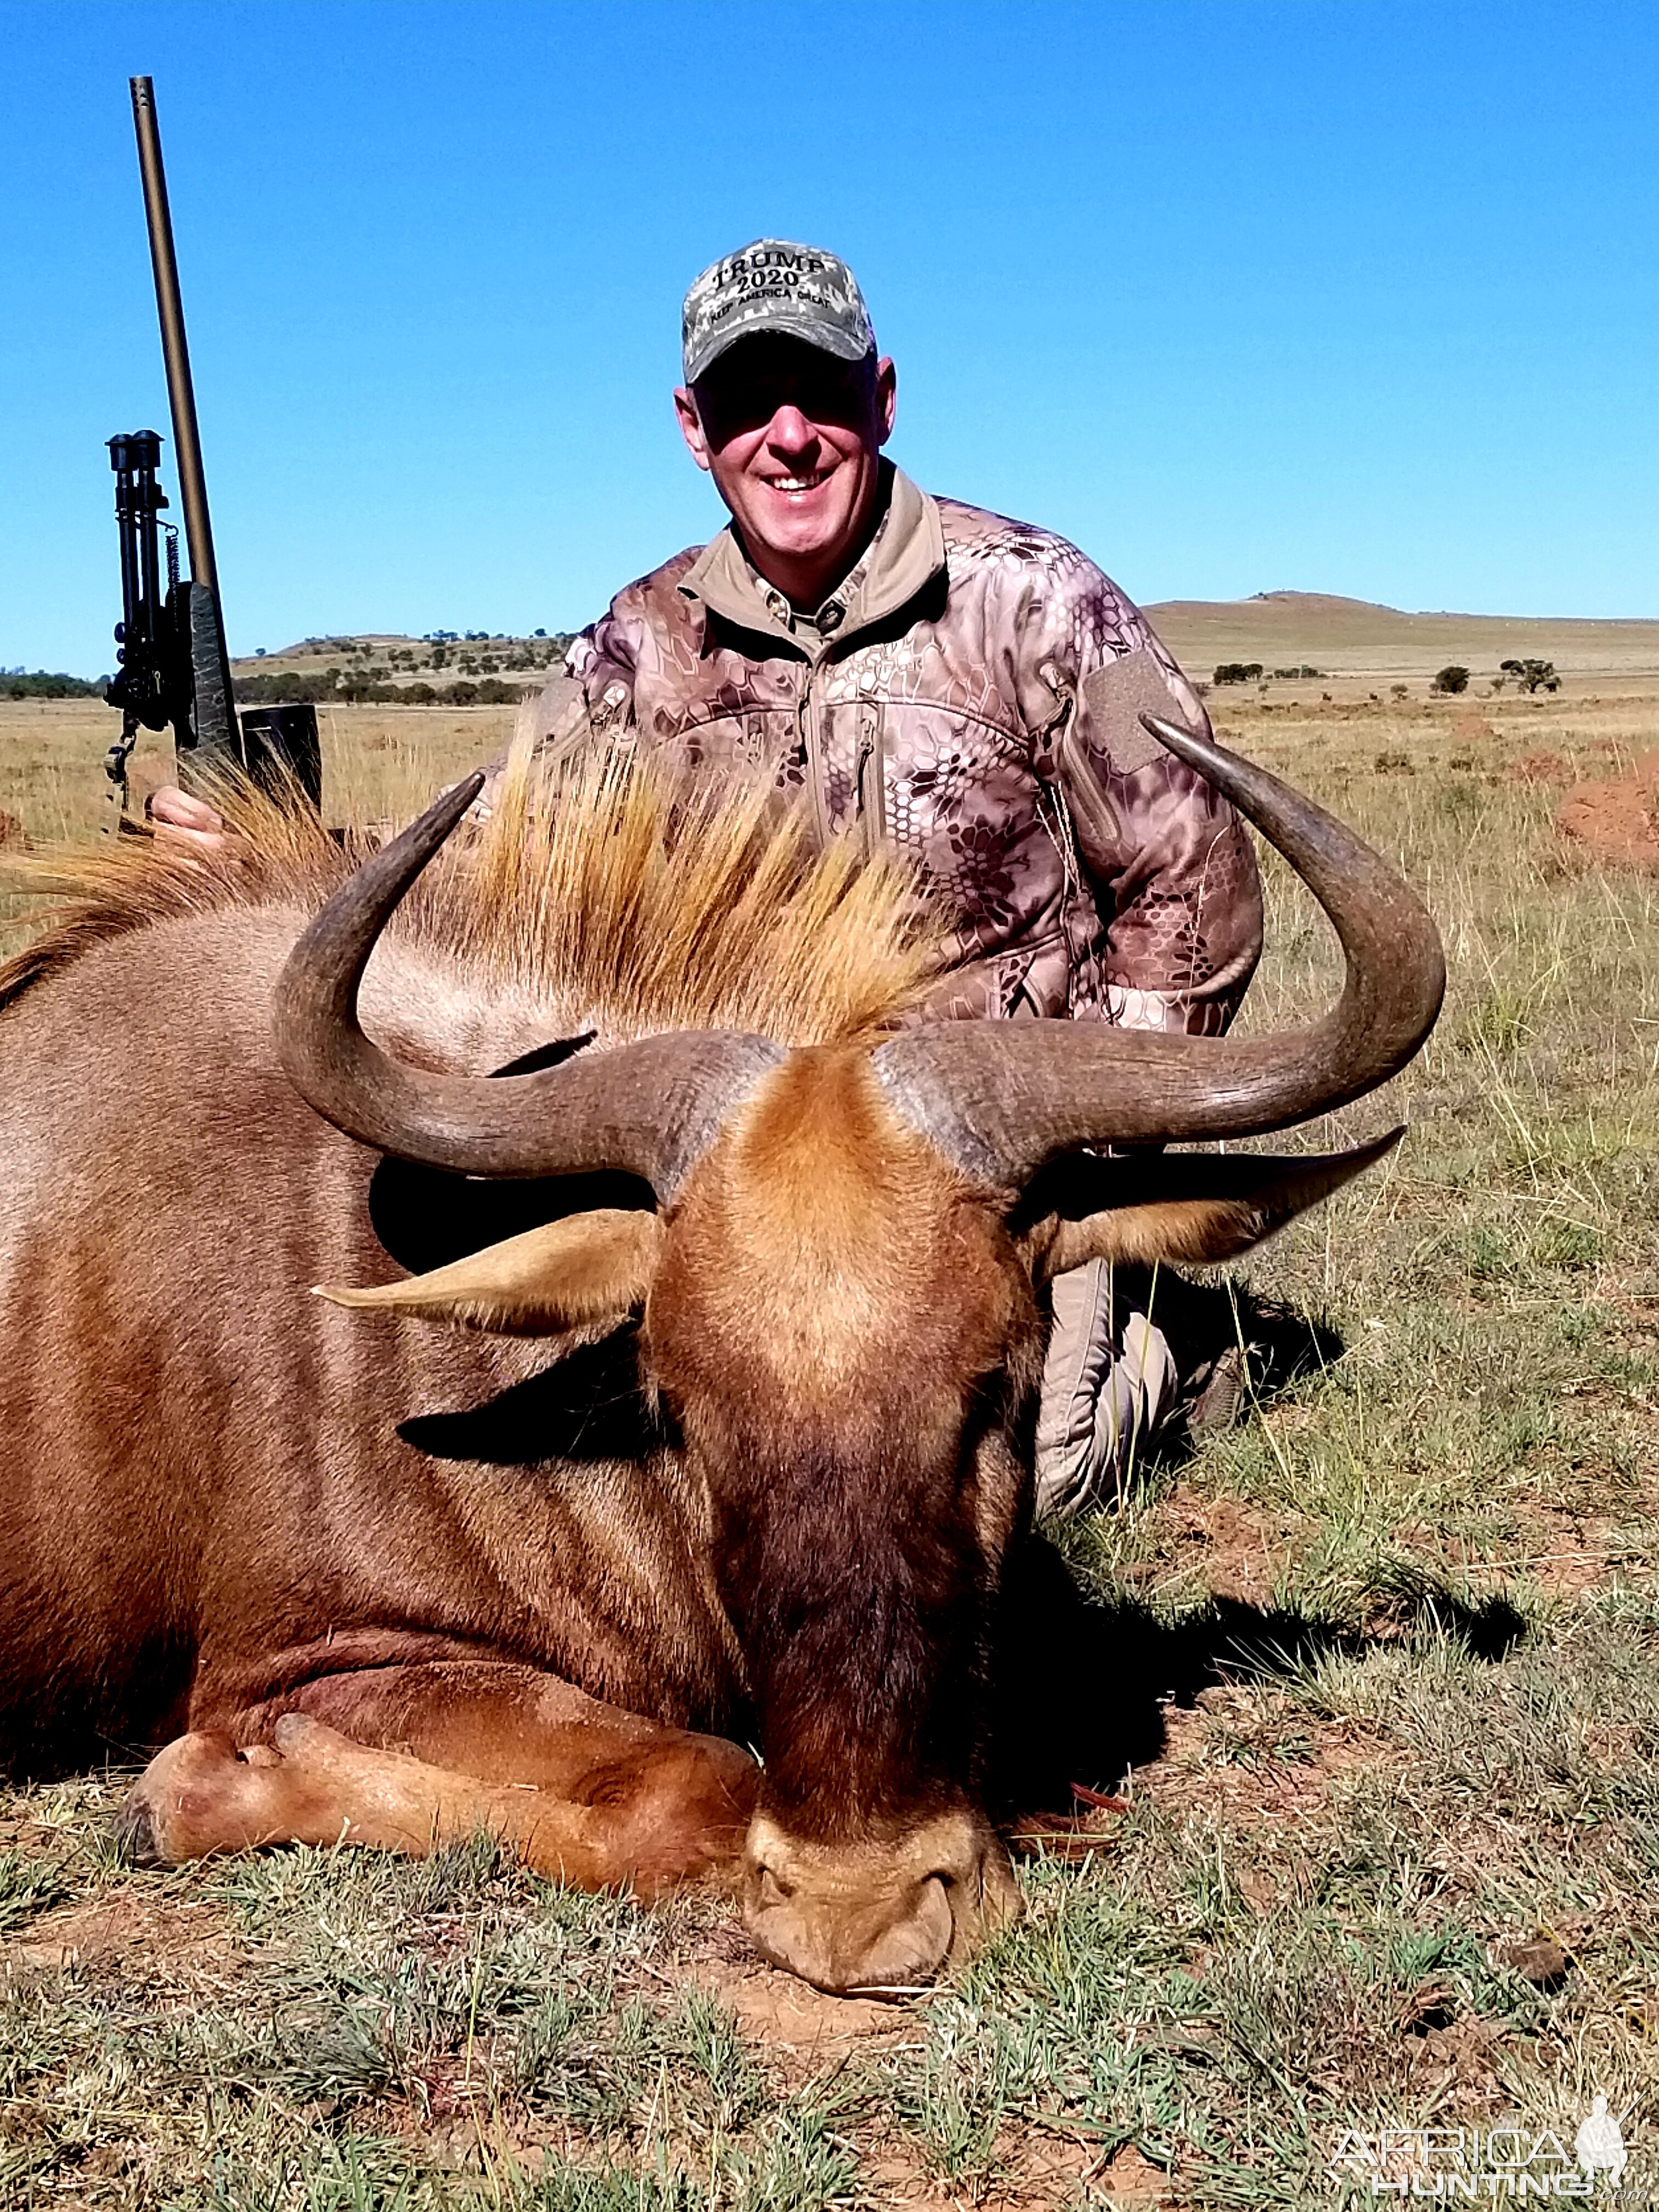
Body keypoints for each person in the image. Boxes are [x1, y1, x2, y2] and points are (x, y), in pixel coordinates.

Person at [155, 238, 1265, 1514]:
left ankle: (1148, 1346)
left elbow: (1194, 893)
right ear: (695, 427)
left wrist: (1087, 1148)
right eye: (747, 401)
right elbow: (485, 861)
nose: (788, 436)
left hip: (982, 1169)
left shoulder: (1039, 602)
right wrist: (286, 862)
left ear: (883, 398)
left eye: (821, 393)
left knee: (1023, 1483)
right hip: (736, 1170)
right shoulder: (636, 641)